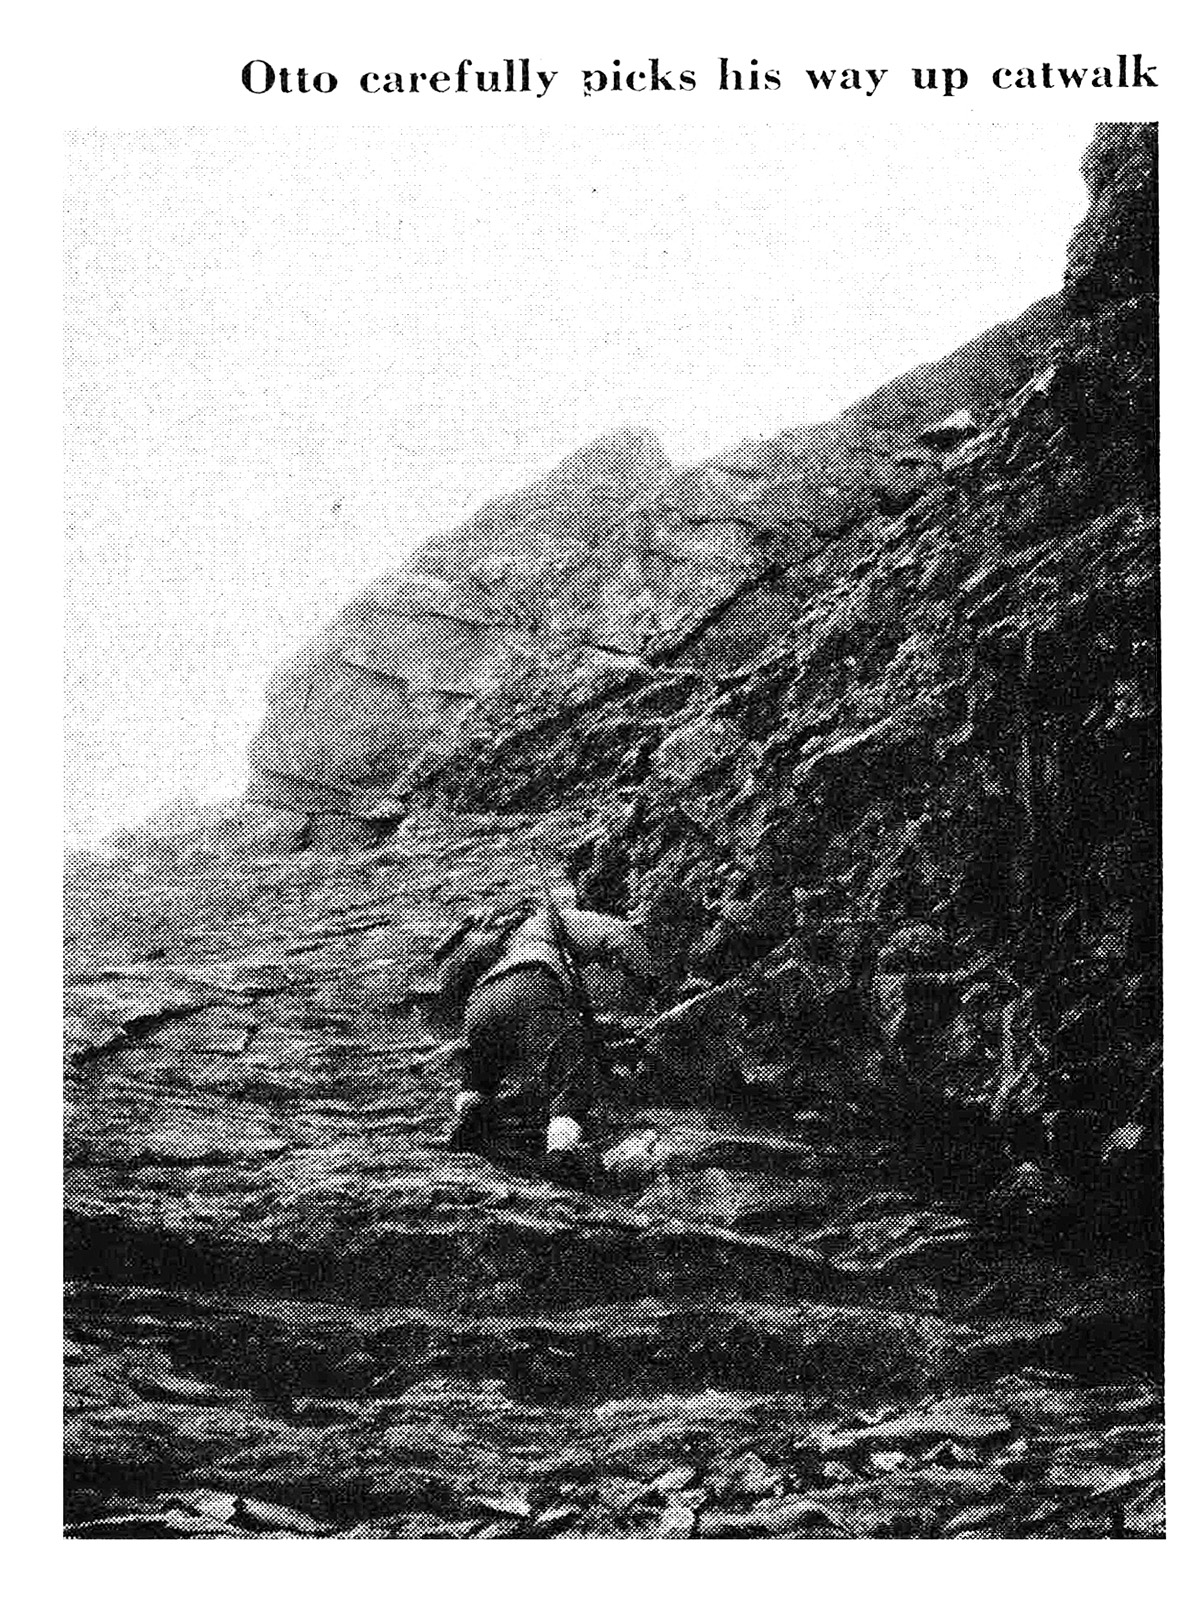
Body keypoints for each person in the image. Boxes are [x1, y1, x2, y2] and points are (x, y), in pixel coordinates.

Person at [445, 889, 654, 1182]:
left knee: (484, 1068)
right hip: (531, 984)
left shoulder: (492, 935)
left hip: (479, 1002)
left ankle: (470, 1107)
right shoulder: (554, 918)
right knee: (571, 1068)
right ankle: (561, 1153)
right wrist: (653, 982)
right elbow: (619, 935)